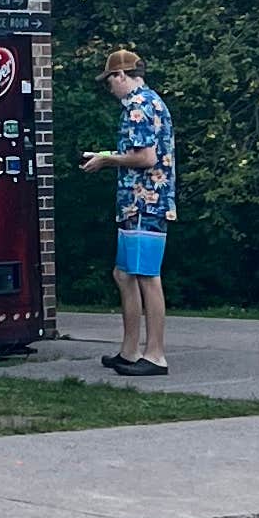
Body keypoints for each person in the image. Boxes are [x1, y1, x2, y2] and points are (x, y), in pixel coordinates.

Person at [80, 45, 176, 376]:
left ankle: (156, 355)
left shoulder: (138, 106)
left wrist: (107, 159)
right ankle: (130, 351)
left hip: (145, 202)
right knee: (124, 274)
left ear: (121, 75)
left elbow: (146, 158)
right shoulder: (152, 102)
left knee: (148, 276)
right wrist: (110, 155)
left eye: (110, 81)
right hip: (137, 203)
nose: (110, 88)